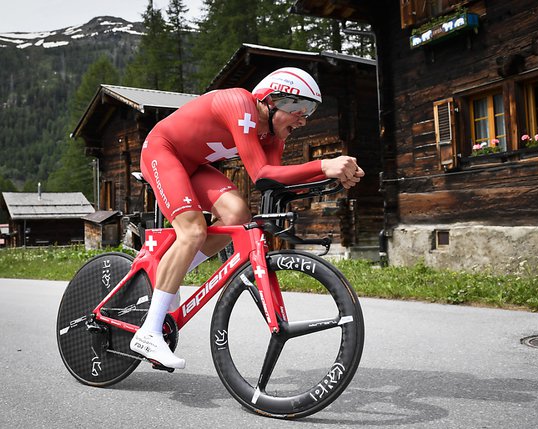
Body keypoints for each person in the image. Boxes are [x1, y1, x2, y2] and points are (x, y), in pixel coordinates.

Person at [130, 67, 365, 369]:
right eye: (299, 108)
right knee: (193, 231)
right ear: (271, 99)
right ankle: (149, 332)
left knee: (238, 215)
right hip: (164, 151)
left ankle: (167, 275)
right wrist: (323, 165)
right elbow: (262, 174)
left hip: (194, 165)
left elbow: (275, 183)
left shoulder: (273, 137)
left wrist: (331, 179)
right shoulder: (240, 104)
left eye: (310, 111)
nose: (304, 119)